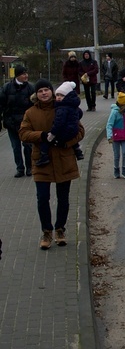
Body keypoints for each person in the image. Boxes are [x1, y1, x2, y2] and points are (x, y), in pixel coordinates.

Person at [19, 79, 85, 249]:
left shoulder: (65, 107)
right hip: (42, 161)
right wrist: (41, 135)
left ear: (52, 91)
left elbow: (80, 131)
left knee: (63, 198)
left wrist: (67, 143)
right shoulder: (30, 113)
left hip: (64, 159)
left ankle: (60, 229)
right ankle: (46, 232)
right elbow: (23, 133)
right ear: (36, 94)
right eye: (40, 91)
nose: (44, 93)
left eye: (46, 90)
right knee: (42, 198)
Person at [36, 81, 84, 167]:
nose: (58, 98)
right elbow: (80, 113)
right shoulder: (73, 106)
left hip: (63, 134)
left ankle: (44, 157)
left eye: (61, 96)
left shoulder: (61, 108)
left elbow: (59, 123)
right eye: (57, 95)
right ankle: (78, 151)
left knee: (46, 141)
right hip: (72, 130)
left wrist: (52, 133)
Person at [0, 65, 35, 177]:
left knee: (28, 146)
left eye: (26, 73)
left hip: (26, 123)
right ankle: (20, 168)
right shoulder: (6, 88)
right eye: (23, 74)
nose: (26, 76)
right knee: (16, 147)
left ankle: (30, 167)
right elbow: (1, 104)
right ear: (17, 75)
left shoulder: (30, 88)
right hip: (11, 123)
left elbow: (35, 106)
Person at [106, 92, 125, 179]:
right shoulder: (114, 112)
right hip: (116, 136)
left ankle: (124, 169)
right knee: (117, 154)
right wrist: (109, 136)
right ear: (124, 103)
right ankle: (116, 169)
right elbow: (109, 124)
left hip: (124, 136)